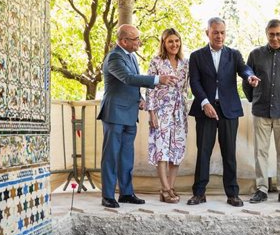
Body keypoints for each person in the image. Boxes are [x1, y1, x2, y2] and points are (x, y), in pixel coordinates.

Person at [97, 24, 175, 208]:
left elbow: (131, 83)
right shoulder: (115, 57)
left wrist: (139, 98)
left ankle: (126, 193)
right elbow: (127, 78)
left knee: (126, 156)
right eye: (136, 39)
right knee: (111, 156)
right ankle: (108, 195)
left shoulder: (131, 56)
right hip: (114, 113)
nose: (139, 42)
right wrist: (158, 79)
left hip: (130, 113)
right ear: (124, 41)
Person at [187, 17, 261, 207]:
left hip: (229, 110)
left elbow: (243, 69)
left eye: (222, 32)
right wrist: (204, 102)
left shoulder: (234, 54)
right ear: (207, 33)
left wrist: (250, 76)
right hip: (206, 110)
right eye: (215, 32)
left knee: (229, 152)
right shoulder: (196, 56)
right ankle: (199, 193)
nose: (219, 36)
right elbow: (194, 82)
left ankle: (232, 194)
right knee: (203, 152)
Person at [243, 19, 280, 205]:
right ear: (266, 34)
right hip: (261, 110)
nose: (275, 38)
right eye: (271, 34)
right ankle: (261, 189)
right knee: (260, 151)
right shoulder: (255, 55)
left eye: (278, 34)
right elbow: (247, 80)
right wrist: (255, 97)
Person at [145, 28, 189, 204]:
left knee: (176, 151)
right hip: (161, 111)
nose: (174, 44)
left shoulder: (185, 63)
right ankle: (164, 189)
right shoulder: (156, 61)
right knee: (162, 151)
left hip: (179, 113)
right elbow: (149, 88)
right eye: (170, 41)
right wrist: (152, 113)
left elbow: (186, 88)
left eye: (177, 41)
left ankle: (170, 187)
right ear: (163, 43)